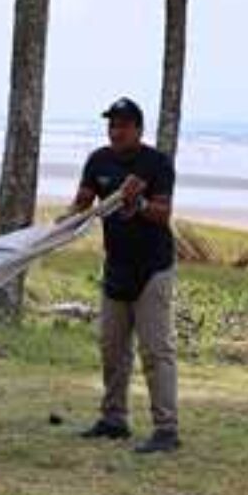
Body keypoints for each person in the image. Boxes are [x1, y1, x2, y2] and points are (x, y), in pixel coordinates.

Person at [71, 98, 181, 454]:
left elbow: (163, 215)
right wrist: (57, 228)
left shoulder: (156, 163)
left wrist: (140, 203)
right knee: (112, 349)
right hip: (116, 267)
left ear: (138, 129)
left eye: (122, 125)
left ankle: (166, 429)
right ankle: (114, 420)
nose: (115, 131)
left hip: (153, 269)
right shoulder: (98, 161)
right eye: (111, 125)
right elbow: (82, 204)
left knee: (155, 352)